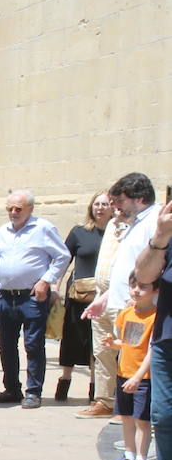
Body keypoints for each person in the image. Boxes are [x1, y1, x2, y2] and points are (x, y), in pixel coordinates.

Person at [82, 173, 160, 419]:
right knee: (107, 354)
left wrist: (138, 299)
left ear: (139, 198)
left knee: (132, 358)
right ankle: (109, 404)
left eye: (120, 201)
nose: (115, 207)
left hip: (135, 307)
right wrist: (104, 298)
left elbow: (152, 267)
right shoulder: (133, 222)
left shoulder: (155, 221)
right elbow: (124, 266)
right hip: (114, 303)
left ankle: (132, 413)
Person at [0, 189, 70, 408]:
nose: (13, 212)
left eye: (18, 209)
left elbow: (62, 256)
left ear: (30, 209)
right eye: (9, 209)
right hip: (6, 297)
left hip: (31, 297)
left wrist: (46, 280)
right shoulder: (2, 231)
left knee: (33, 344)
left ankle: (33, 391)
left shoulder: (43, 228)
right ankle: (12, 388)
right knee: (6, 345)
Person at [128, 194, 172, 460]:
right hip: (166, 341)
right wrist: (159, 238)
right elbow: (143, 275)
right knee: (164, 416)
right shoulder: (165, 238)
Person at [57, 192, 112, 401]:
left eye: (105, 204)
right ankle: (65, 380)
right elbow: (63, 260)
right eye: (97, 204)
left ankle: (93, 387)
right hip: (79, 296)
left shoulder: (117, 234)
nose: (100, 208)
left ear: (112, 207)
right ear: (91, 207)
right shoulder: (79, 232)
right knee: (71, 339)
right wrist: (56, 286)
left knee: (96, 343)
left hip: (104, 297)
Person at [101, 273, 155, 460]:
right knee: (126, 417)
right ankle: (129, 456)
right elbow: (128, 342)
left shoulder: (156, 317)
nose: (136, 290)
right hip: (124, 373)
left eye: (142, 287)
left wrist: (138, 377)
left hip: (143, 378)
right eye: (133, 286)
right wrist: (113, 343)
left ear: (156, 291)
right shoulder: (126, 314)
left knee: (142, 421)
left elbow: (151, 350)